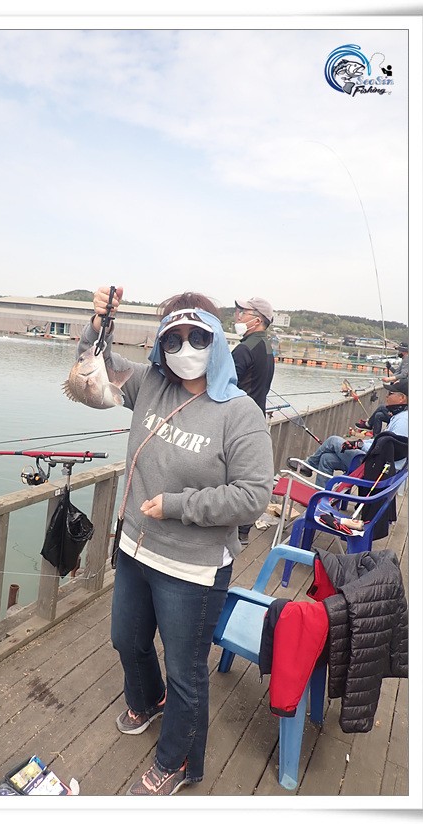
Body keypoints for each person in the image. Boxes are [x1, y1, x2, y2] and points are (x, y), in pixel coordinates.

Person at [75, 286, 274, 796]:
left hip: (193, 567)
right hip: (135, 548)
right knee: (127, 639)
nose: (185, 348)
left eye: (197, 337)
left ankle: (179, 760)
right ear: (161, 343)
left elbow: (254, 495)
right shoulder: (150, 384)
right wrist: (98, 322)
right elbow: (94, 372)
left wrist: (179, 506)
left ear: (217, 340)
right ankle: (147, 700)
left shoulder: (240, 413)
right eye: (174, 339)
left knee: (187, 672)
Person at [288, 378, 408, 487]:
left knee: (333, 440)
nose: (386, 396)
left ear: (402, 398)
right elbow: (381, 442)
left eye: (390, 393)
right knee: (326, 459)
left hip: (375, 469)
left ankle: (309, 464)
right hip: (377, 466)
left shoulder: (403, 421)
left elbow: (388, 450)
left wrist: (360, 445)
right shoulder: (400, 417)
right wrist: (361, 443)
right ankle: (321, 497)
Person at [231, 297, 276, 545]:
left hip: (238, 421)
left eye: (243, 312)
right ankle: (243, 530)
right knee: (246, 475)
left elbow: (225, 386)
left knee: (232, 476)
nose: (238, 316)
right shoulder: (266, 346)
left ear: (257, 319)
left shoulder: (244, 349)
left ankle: (237, 532)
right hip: (256, 416)